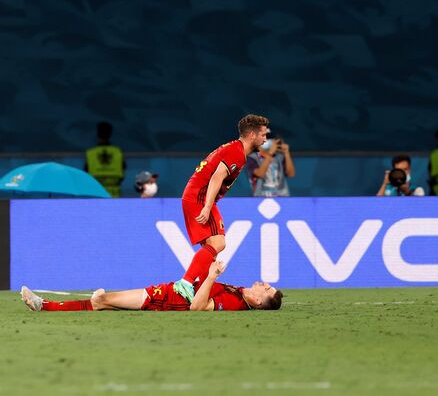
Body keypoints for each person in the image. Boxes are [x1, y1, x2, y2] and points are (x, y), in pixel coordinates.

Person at [172, 114, 269, 303]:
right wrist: (207, 206)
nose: (265, 139)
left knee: (210, 247)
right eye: (263, 135)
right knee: (218, 244)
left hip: (195, 195)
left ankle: (196, 287)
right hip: (200, 197)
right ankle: (185, 283)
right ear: (251, 135)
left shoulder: (234, 148)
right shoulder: (237, 153)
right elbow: (217, 177)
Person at [21, 260, 283, 312]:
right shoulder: (239, 292)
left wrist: (212, 276)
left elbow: (197, 307)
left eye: (267, 289)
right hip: (166, 292)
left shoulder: (236, 304)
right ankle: (46, 305)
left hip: (166, 301)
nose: (265, 284)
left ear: (259, 302)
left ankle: (44, 306)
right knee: (103, 302)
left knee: (102, 301)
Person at [85, 121, 125, 198]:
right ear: (110, 134)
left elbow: (86, 174)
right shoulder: (117, 152)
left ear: (97, 135)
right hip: (114, 193)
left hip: (96, 192)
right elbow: (122, 172)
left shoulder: (91, 153)